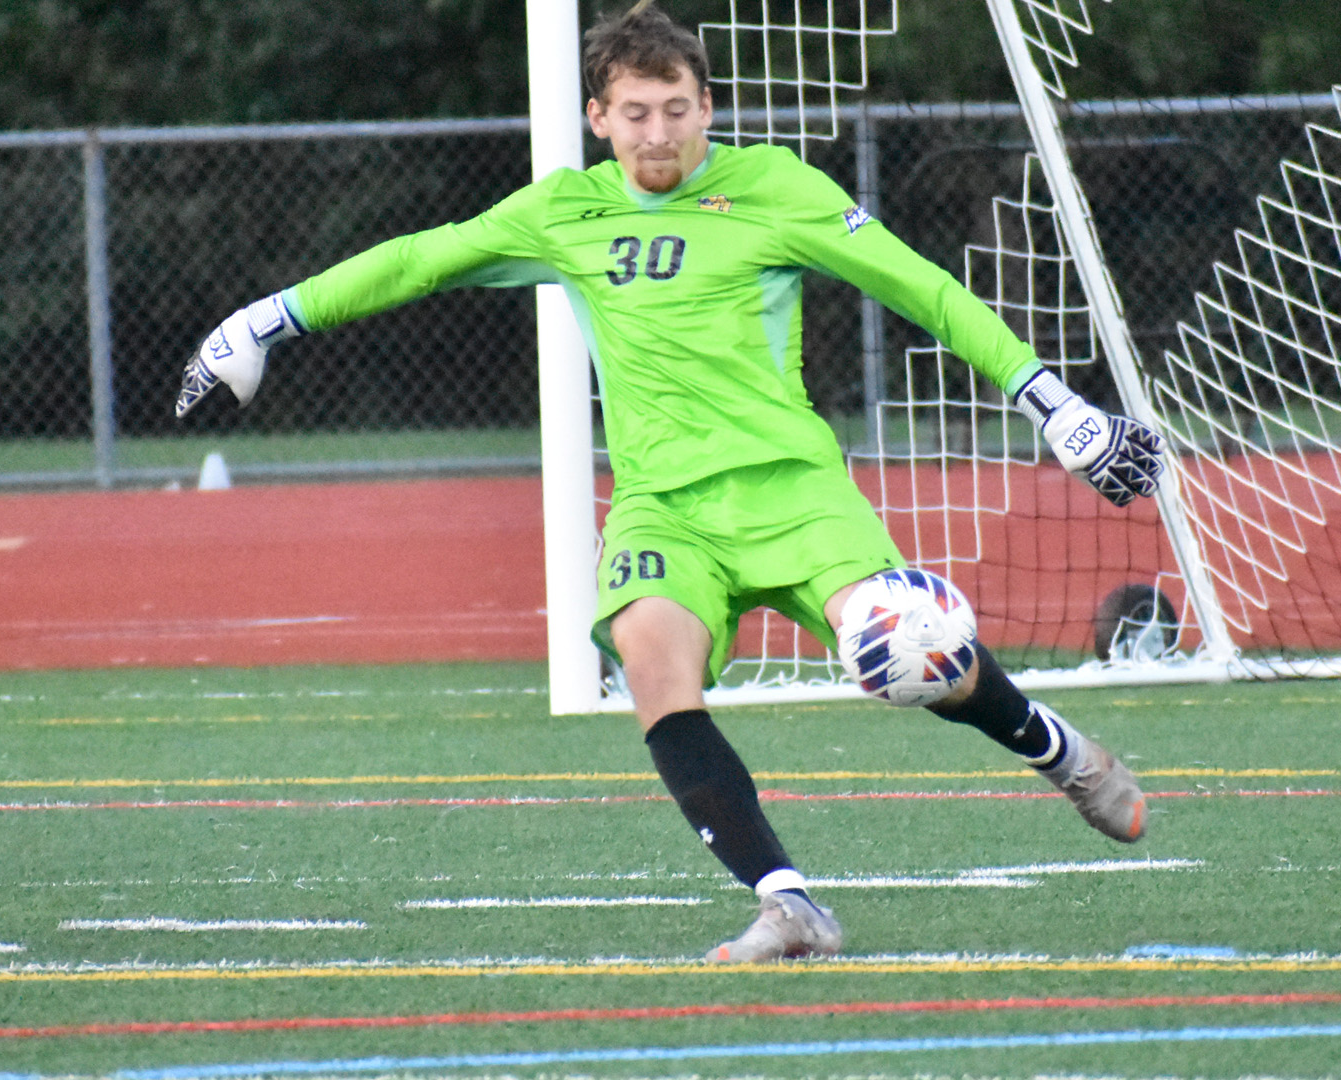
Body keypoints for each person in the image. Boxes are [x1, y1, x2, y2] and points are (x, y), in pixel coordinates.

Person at [176, 0, 1164, 963]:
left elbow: (925, 289)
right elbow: (421, 260)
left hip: (795, 494)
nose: (659, 134)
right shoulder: (565, 210)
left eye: (678, 109)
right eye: (635, 114)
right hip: (663, 507)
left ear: (707, 105)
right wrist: (264, 322)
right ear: (598, 118)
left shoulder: (774, 187)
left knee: (911, 653)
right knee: (653, 666)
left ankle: (1059, 752)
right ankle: (788, 906)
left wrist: (1054, 404)